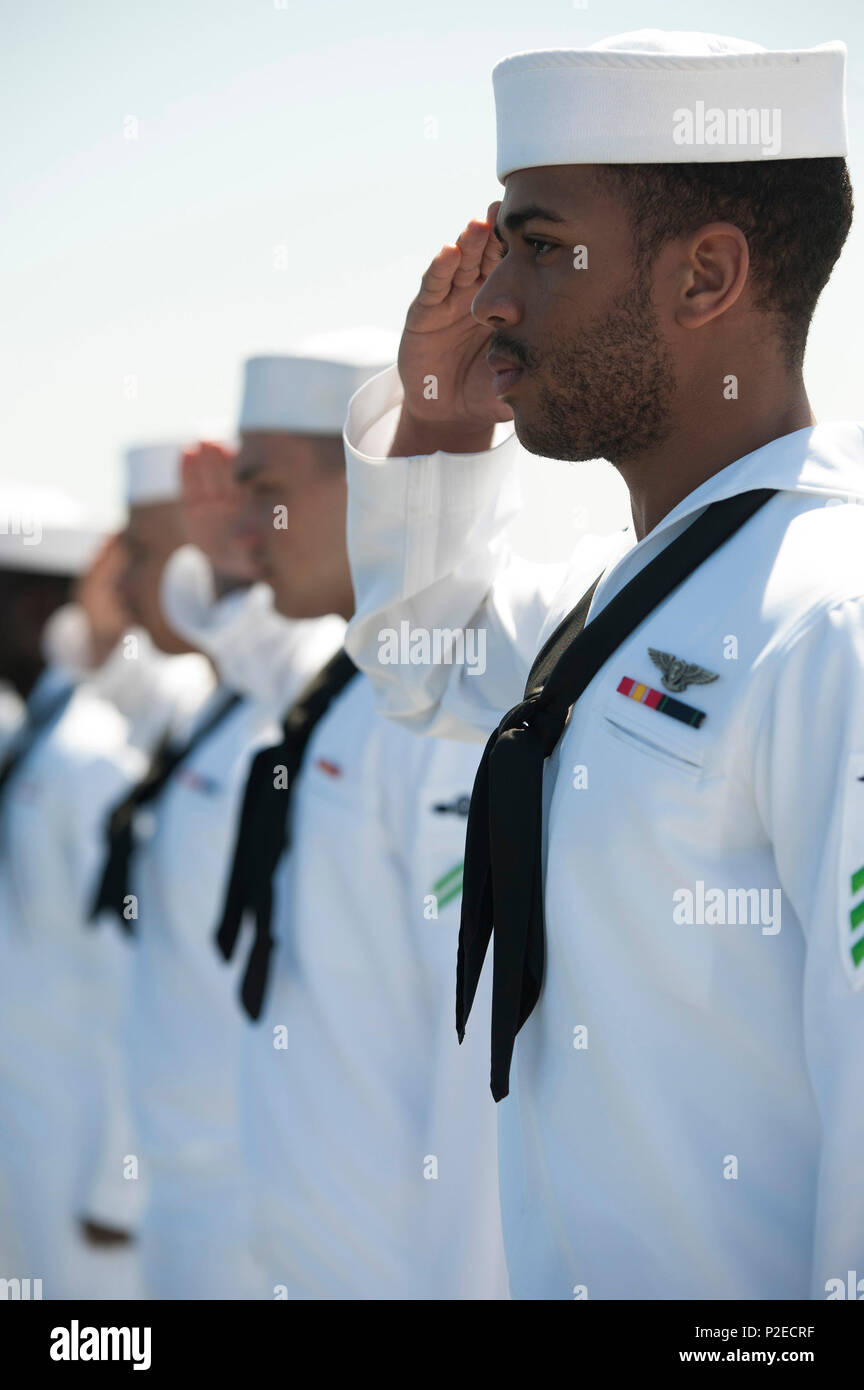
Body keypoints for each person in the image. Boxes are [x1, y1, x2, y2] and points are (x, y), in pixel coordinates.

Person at [341, 31, 864, 1299]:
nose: (493, 300)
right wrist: (440, 426)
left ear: (707, 279)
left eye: (536, 244)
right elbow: (427, 659)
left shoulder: (830, 617)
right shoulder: (630, 602)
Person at [189, 334, 509, 1298]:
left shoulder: (445, 719)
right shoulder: (340, 683)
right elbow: (232, 634)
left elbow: (477, 1089)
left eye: (264, 491)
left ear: (367, 486)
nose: (245, 531)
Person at [101, 428, 343, 1298]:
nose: (130, 586)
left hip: (251, 1202)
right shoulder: (217, 711)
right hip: (185, 1183)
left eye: (143, 555)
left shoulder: (284, 717)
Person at [0, 484, 145, 1299]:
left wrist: (119, 1184)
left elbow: (136, 976)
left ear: (29, 607)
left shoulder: (89, 759)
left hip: (85, 1156)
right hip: (27, 1137)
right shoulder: (32, 739)